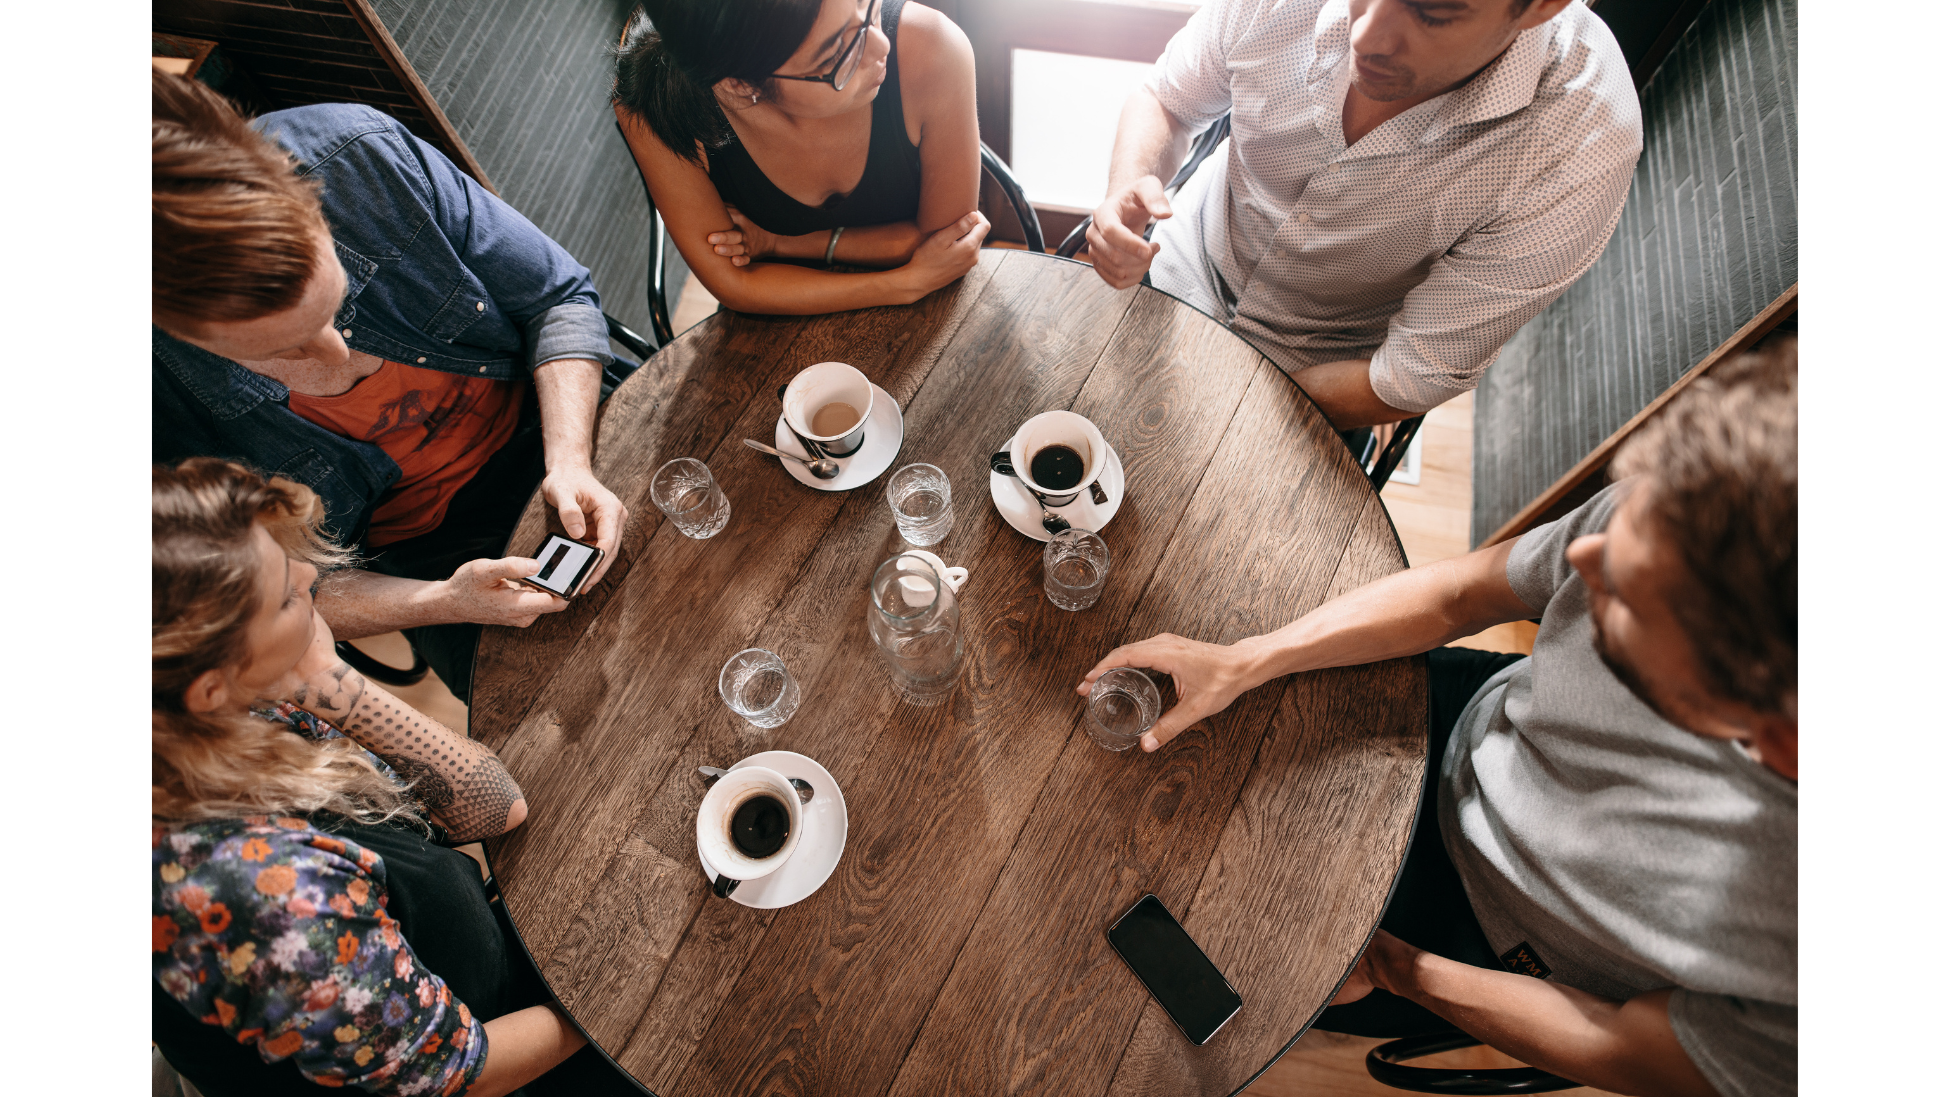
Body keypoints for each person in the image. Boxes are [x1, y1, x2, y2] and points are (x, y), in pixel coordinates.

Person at [1078, 343, 1797, 1097]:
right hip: (1475, 721)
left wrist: (1397, 966)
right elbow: (1461, 597)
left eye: (1623, 591)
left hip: (1478, 935)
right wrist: (1253, 657)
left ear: (1769, 733)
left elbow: (1631, 1049)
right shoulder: (1703, 517)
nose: (1581, 557)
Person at [150, 459, 638, 1096]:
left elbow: (493, 808)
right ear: (208, 687)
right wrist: (601, 999)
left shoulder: (227, 707)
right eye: (286, 597)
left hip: (462, 968)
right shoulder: (266, 896)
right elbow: (463, 1073)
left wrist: (322, 676)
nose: (309, 577)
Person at [150, 71, 628, 701]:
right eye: (281, 349)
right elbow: (263, 596)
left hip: (560, 419)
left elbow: (557, 299)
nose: (337, 351)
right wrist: (446, 600)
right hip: (431, 553)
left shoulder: (358, 156)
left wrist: (569, 458)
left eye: (334, 303)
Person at [1085, 0, 1643, 430]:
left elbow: (1403, 377)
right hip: (1177, 263)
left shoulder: (1583, 140)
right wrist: (1127, 186)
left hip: (1315, 373)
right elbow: (1168, 98)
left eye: (1432, 12)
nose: (1366, 36)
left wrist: (1230, 403)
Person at [614, 0, 990, 315]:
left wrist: (781, 245)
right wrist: (904, 283)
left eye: (864, 4)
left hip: (935, 306)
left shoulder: (932, 47)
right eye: (837, 54)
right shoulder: (653, 103)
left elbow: (948, 244)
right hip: (777, 324)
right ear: (740, 86)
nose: (880, 47)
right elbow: (734, 284)